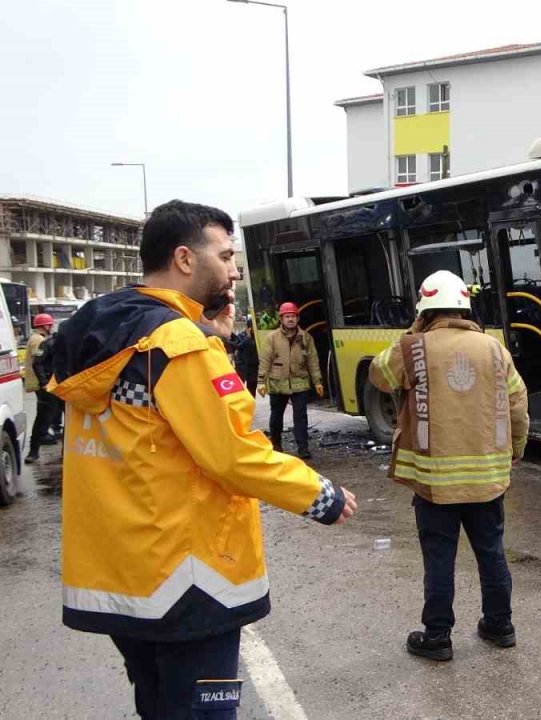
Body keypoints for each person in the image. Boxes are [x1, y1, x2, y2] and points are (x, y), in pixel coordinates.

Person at [48, 200, 357, 720]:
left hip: (124, 574)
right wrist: (318, 495)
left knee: (159, 707)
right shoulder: (177, 344)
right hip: (187, 581)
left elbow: (153, 432)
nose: (235, 269)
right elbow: (231, 453)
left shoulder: (105, 330)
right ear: (186, 259)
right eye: (227, 254)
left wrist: (211, 336)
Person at [369, 270, 529, 662]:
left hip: (435, 482)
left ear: (424, 310)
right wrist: (516, 450)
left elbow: (379, 374)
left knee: (439, 557)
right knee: (490, 551)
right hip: (488, 480)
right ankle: (500, 626)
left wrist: (412, 332)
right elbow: (518, 407)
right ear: (465, 306)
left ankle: (437, 637)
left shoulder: (414, 347)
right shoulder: (495, 350)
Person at [257, 302, 323, 458]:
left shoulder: (306, 338)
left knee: (300, 416)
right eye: (287, 316)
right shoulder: (272, 338)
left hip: (299, 382)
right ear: (281, 319)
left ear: (297, 318)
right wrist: (261, 381)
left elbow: (312, 361)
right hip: (277, 382)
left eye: (293, 316)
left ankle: (303, 448)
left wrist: (317, 381)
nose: (290, 319)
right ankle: (277, 445)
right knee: (276, 416)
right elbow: (265, 360)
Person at [23, 313, 60, 463]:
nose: (51, 327)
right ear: (45, 326)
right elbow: (38, 363)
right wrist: (44, 382)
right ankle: (34, 449)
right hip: (45, 384)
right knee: (44, 416)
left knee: (49, 415)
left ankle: (49, 434)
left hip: (53, 384)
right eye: (49, 325)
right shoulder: (40, 340)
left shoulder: (39, 339)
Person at [231, 323, 260, 397]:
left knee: (247, 388)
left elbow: (238, 346)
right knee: (251, 389)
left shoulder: (248, 340)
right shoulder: (256, 339)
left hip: (247, 367)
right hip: (252, 368)